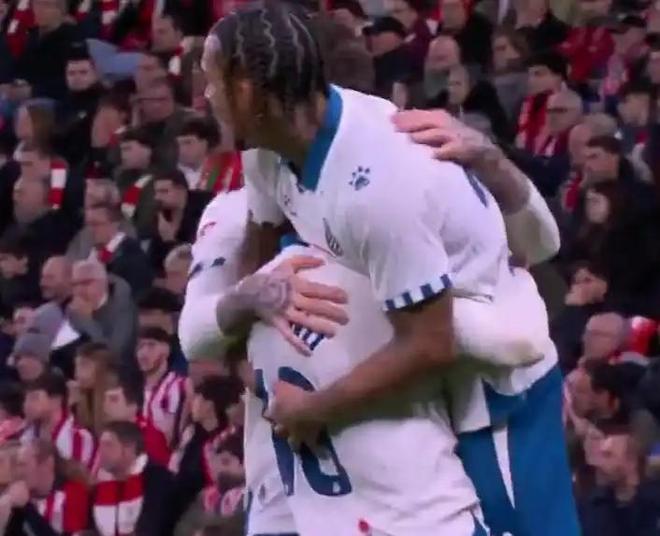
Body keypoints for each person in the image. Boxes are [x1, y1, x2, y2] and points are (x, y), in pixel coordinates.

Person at [93, 421, 175, 536]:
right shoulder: (101, 485)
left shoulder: (158, 479)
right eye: (100, 445)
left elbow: (152, 529)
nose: (101, 451)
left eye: (108, 445)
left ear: (130, 448)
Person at [2, 439, 90, 535]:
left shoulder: (72, 494)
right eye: (18, 465)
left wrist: (26, 508)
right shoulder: (21, 496)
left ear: (47, 463)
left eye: (23, 465)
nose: (19, 472)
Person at [22, 371, 96, 470]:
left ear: (56, 401)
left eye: (34, 398)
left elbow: (77, 477)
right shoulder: (24, 434)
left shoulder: (78, 437)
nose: (26, 405)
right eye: (26, 399)